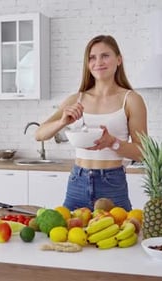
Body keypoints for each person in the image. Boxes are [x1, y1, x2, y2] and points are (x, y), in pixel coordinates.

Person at [35, 35, 148, 211]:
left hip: (112, 184)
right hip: (77, 182)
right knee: (69, 238)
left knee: (117, 237)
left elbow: (143, 153)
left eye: (105, 55)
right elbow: (39, 134)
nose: (98, 62)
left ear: (119, 60)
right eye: (92, 58)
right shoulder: (76, 99)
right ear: (87, 64)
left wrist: (112, 142)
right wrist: (63, 121)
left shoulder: (131, 100)